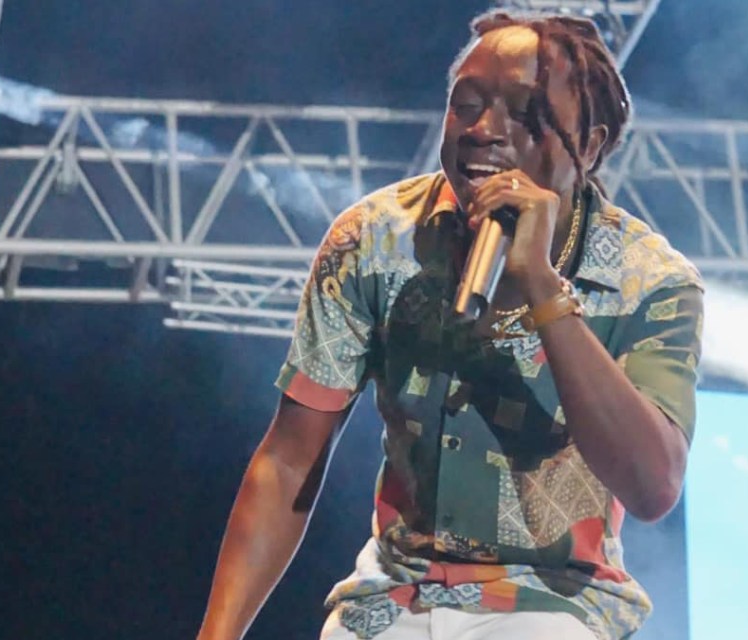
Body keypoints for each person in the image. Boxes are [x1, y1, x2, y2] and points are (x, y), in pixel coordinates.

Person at [197, 9, 703, 640]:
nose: (483, 130)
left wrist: (542, 286)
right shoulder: (375, 239)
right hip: (392, 599)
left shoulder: (649, 279)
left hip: (551, 603)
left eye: (525, 112)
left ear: (591, 147)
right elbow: (288, 459)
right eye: (466, 104)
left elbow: (654, 487)